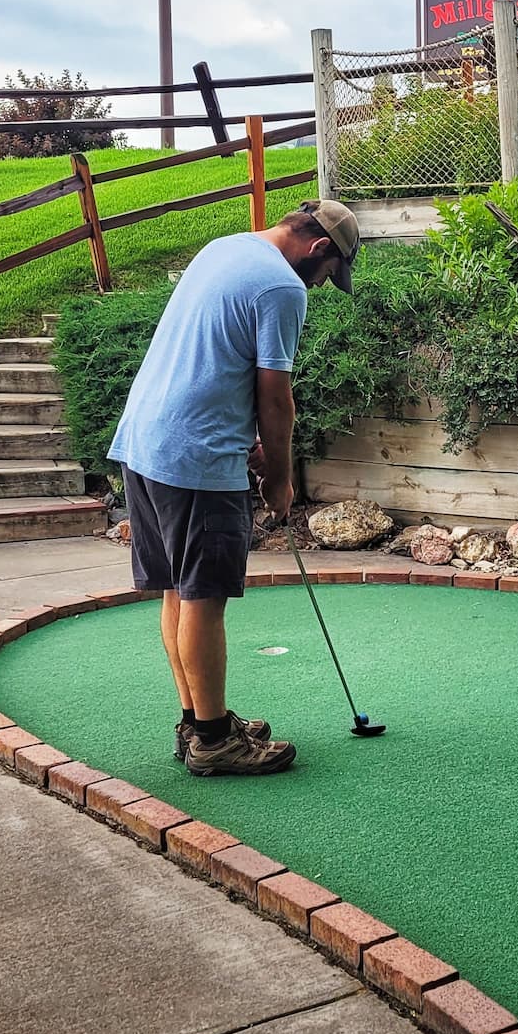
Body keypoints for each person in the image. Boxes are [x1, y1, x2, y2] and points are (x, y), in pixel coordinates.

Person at [107, 199, 360, 776]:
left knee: (177, 589)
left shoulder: (224, 248)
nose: (322, 287)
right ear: (319, 248)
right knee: (204, 596)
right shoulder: (282, 288)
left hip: (146, 442)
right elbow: (276, 396)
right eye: (328, 275)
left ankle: (199, 721)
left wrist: (235, 430)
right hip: (195, 458)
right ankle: (216, 741)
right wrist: (280, 478)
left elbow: (212, 359)